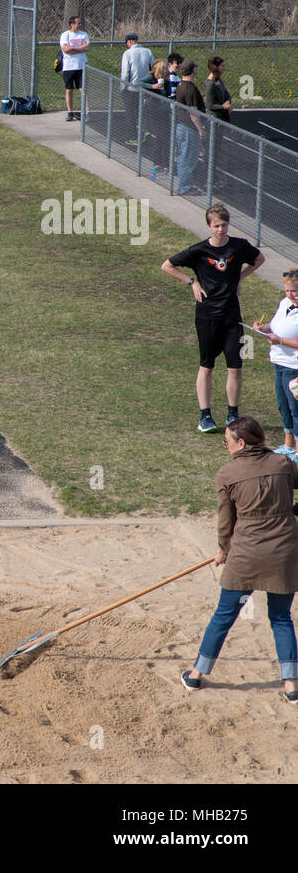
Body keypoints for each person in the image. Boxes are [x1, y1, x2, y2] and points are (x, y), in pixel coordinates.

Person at [181, 416, 298, 704]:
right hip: (284, 552)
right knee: (281, 618)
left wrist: (223, 548)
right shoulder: (283, 464)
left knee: (224, 615)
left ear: (241, 443)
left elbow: (225, 520)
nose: (225, 446)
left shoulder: (227, 473)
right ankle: (291, 685)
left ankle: (196, 674)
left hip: (246, 553)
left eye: (227, 441)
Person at [162, 203, 264, 433]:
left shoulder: (239, 247)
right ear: (209, 226)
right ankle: (205, 416)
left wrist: (240, 277)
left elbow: (259, 259)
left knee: (235, 366)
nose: (221, 229)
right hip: (207, 315)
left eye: (224, 224)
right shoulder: (199, 251)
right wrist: (192, 282)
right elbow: (167, 265)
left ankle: (232, 414)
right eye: (216, 225)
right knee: (206, 365)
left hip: (231, 316)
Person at [254, 272, 298, 461]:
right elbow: (276, 324)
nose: (290, 294)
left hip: (293, 366)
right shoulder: (284, 303)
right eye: (287, 290)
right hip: (278, 361)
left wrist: (280, 340)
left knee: (295, 408)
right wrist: (265, 328)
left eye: (295, 291)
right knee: (283, 405)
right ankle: (288, 445)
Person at [174, 60, 207, 196]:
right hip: (188, 128)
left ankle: (184, 185)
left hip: (182, 126)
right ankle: (184, 187)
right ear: (193, 70)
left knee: (183, 156)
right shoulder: (189, 88)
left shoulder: (182, 85)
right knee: (188, 157)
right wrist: (200, 129)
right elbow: (193, 112)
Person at [59, 15, 88, 121]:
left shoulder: (84, 34)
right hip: (68, 67)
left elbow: (87, 48)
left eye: (80, 23)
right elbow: (66, 50)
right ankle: (70, 112)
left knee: (83, 89)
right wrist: (80, 48)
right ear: (72, 24)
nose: (80, 25)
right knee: (69, 90)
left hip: (81, 66)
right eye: (78, 23)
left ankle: (86, 112)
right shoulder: (65, 35)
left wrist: (73, 47)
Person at [206, 55, 232, 123]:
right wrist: (223, 107)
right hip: (215, 119)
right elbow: (210, 105)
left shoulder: (219, 80)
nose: (223, 68)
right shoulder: (210, 84)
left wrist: (228, 102)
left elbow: (227, 95)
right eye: (222, 66)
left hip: (223, 117)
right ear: (216, 67)